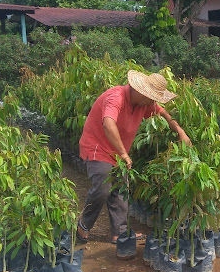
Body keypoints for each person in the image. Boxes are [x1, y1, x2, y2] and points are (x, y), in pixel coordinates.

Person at [76, 70, 191, 258]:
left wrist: (180, 131)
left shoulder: (144, 104)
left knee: (121, 190)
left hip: (118, 152)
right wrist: (123, 152)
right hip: (97, 147)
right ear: (140, 91)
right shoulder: (116, 97)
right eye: (150, 97)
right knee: (102, 189)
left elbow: (163, 114)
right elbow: (108, 123)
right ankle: (83, 227)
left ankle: (119, 233)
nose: (152, 102)